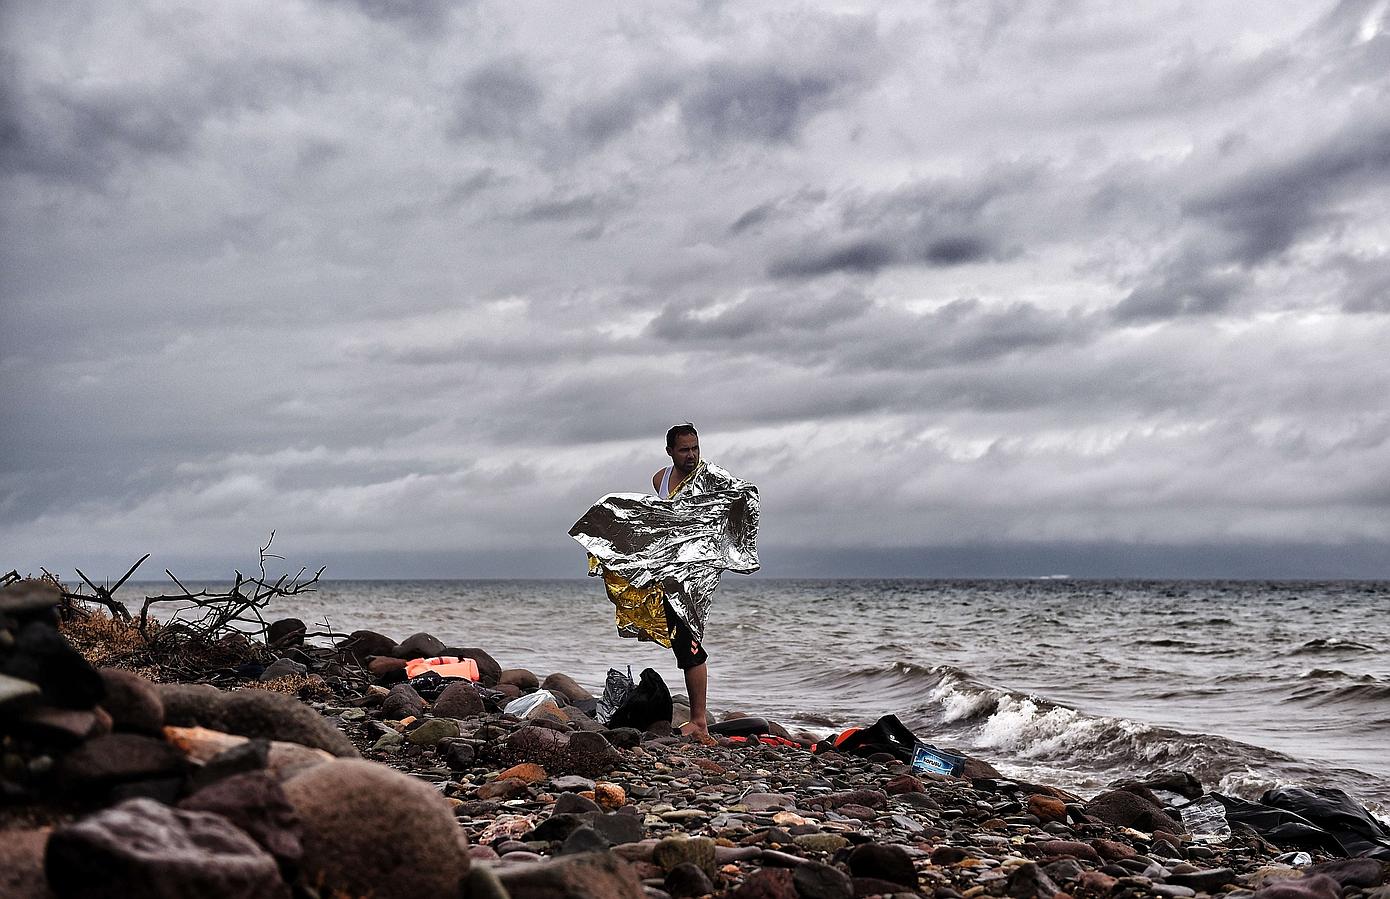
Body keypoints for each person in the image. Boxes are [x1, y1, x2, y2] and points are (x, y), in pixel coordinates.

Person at [570, 422, 759, 740]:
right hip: (666, 572)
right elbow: (660, 520)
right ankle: (698, 719)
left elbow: (746, 496)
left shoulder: (710, 476)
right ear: (670, 450)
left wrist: (721, 546)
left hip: (695, 574)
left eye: (695, 448)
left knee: (690, 642)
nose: (692, 455)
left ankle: (699, 721)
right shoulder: (660, 478)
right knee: (678, 639)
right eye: (684, 449)